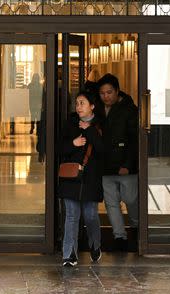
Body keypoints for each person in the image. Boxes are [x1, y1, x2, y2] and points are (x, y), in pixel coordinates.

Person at [59, 90, 104, 267]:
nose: (78, 107)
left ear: (92, 106)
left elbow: (103, 149)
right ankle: (69, 255)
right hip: (71, 177)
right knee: (71, 215)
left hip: (91, 179)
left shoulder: (100, 124)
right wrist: (73, 143)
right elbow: (59, 148)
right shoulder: (70, 123)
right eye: (77, 103)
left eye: (82, 103)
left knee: (90, 215)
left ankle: (95, 245)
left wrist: (90, 131)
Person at [95, 73, 139, 251]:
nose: (106, 96)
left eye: (109, 92)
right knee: (111, 203)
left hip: (125, 166)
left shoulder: (129, 109)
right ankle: (119, 236)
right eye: (102, 93)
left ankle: (137, 227)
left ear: (117, 91)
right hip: (105, 166)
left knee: (131, 199)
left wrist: (127, 165)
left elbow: (135, 140)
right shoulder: (97, 109)